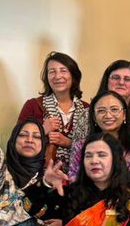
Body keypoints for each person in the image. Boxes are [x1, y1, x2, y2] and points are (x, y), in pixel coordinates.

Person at [18, 51, 90, 183]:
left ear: (73, 75)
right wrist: (42, 131)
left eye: (63, 70)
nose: (58, 76)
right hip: (39, 181)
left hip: (80, 181)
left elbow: (97, 145)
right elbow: (16, 145)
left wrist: (69, 143)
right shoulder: (33, 106)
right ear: (47, 78)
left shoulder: (87, 109)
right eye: (52, 72)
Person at [89, 88, 130, 170]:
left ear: (124, 114)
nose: (108, 116)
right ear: (94, 117)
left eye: (114, 109)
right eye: (101, 111)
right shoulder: (81, 147)